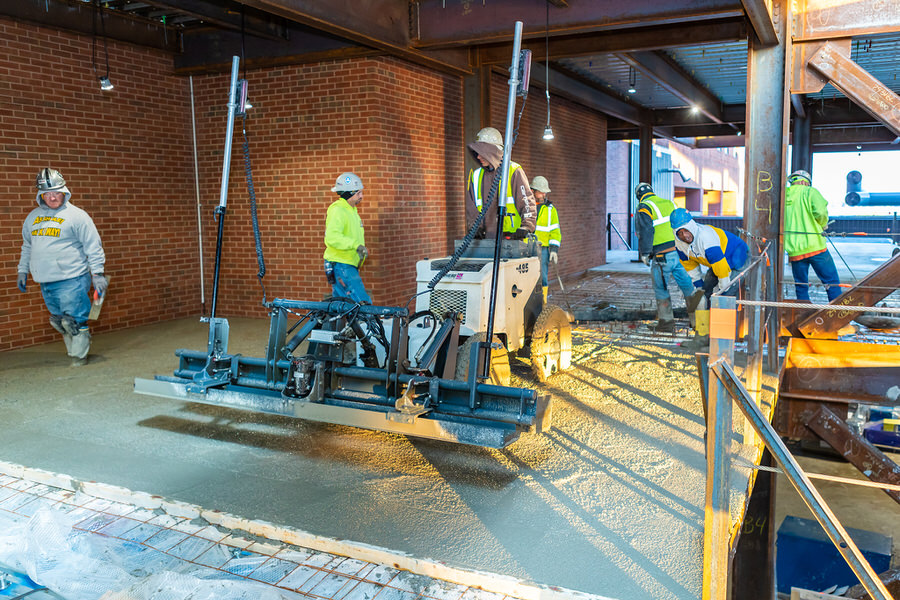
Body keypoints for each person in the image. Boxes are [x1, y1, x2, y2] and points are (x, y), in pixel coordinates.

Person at [17, 168, 107, 366]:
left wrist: (97, 273)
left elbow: (93, 245)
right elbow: (27, 246)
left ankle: (79, 356)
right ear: (40, 195)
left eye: (56, 192)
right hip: (46, 280)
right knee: (59, 321)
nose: (52, 197)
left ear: (64, 191)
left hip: (71, 277)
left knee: (74, 321)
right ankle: (72, 352)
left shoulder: (77, 216)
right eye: (47, 193)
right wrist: (22, 270)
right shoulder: (32, 217)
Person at [670, 208, 748, 349]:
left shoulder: (706, 237)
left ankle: (721, 343)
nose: (684, 236)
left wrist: (723, 286)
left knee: (725, 297)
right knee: (703, 296)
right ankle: (702, 338)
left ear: (691, 226)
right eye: (679, 233)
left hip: (735, 253)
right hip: (715, 261)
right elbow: (689, 265)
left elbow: (722, 269)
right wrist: (698, 286)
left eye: (686, 230)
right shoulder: (679, 244)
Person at [633, 182, 696, 332]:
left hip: (662, 256)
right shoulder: (669, 202)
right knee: (688, 287)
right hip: (681, 252)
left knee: (661, 288)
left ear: (638, 196)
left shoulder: (644, 206)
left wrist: (645, 253)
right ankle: (698, 322)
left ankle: (667, 324)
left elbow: (645, 230)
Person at [465, 126, 536, 239]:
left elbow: (527, 201)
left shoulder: (513, 171)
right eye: (477, 152)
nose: (478, 156)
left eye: (481, 152)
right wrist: (474, 227)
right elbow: (471, 207)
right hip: (486, 241)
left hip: (512, 239)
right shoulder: (476, 175)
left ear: (491, 152)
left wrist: (527, 226)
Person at [784, 170, 842, 302]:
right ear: (806, 182)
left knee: (801, 286)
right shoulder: (810, 192)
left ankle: (804, 315)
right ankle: (838, 315)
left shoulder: (784, 195)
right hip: (816, 247)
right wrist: (823, 224)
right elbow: (821, 212)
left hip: (795, 250)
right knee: (831, 282)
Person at [324, 172, 371, 304]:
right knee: (362, 303)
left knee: (343, 304)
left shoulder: (352, 211)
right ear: (348, 193)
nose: (361, 196)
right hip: (341, 264)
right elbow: (332, 237)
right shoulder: (338, 210)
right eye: (358, 193)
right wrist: (356, 246)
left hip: (346, 264)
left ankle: (340, 325)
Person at [531, 176, 561, 304]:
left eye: (545, 192)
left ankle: (542, 304)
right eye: (541, 191)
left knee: (542, 277)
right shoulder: (525, 206)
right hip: (525, 248)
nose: (544, 194)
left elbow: (555, 231)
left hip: (542, 249)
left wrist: (553, 250)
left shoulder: (550, 210)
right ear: (533, 191)